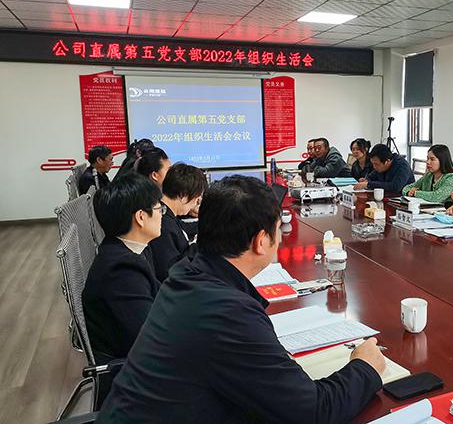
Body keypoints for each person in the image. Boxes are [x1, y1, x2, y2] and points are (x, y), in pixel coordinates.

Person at [97, 176, 385, 424]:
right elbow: (313, 412)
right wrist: (364, 367)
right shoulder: (225, 312)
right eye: (277, 229)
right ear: (261, 241)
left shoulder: (189, 272)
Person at [82, 172, 163, 362]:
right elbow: (152, 338)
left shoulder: (127, 248)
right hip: (131, 367)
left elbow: (160, 293)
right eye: (159, 209)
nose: (162, 216)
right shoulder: (122, 270)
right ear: (141, 217)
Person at [148, 163, 207, 282]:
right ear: (183, 196)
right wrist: (198, 245)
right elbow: (170, 271)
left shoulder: (167, 215)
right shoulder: (162, 224)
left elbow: (184, 228)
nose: (195, 205)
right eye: (197, 200)